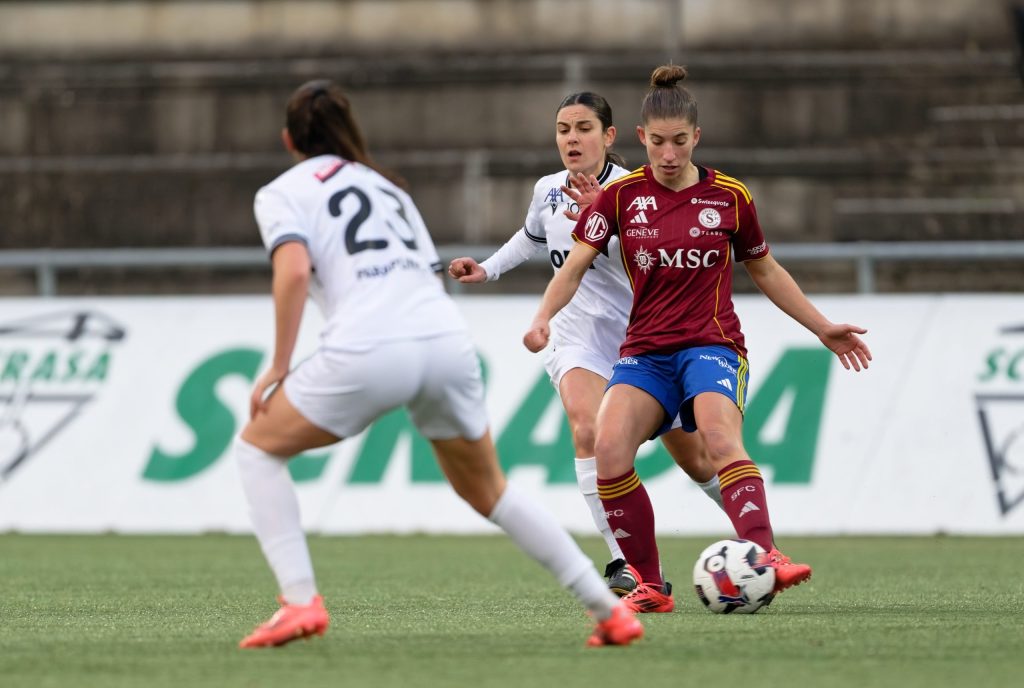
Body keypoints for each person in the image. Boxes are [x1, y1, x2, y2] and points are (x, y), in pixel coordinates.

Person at [233, 79, 642, 648]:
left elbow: (295, 271)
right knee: (491, 491)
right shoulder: (388, 186)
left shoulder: (282, 191)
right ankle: (609, 611)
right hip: (445, 339)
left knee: (256, 449)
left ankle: (300, 602)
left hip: (370, 345)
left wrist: (279, 364)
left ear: (288, 140)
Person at [523, 65, 872, 614]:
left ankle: (767, 555)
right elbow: (573, 268)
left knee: (718, 438)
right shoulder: (619, 197)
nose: (668, 154)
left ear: (696, 137)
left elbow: (766, 269)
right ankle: (648, 584)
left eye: (680, 142)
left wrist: (821, 325)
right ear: (641, 137)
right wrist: (544, 317)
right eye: (658, 142)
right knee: (608, 449)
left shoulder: (730, 196)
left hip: (711, 344)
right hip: (645, 352)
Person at [449, 91, 724, 599]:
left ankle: (761, 547)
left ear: (609, 135)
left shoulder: (636, 191)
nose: (571, 139)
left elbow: (651, 255)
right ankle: (627, 562)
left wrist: (600, 219)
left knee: (699, 461)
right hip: (577, 338)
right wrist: (486, 269)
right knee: (587, 430)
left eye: (583, 129)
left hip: (643, 340)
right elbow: (531, 238)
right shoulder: (547, 189)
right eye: (563, 130)